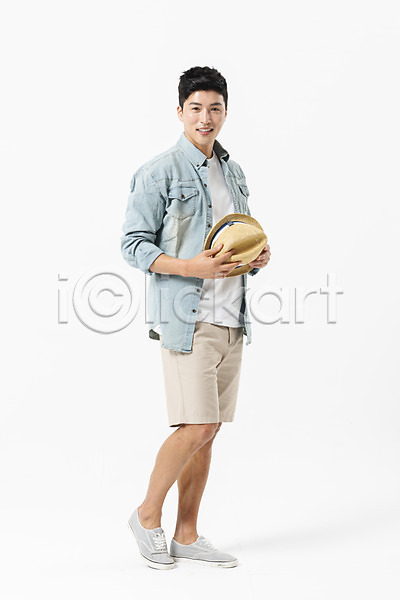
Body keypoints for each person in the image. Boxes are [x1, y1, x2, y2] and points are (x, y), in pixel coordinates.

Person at [121, 66, 271, 570]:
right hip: (187, 320)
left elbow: (237, 239)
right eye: (196, 108)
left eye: (215, 108)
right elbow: (133, 245)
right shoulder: (159, 171)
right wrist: (191, 268)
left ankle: (187, 533)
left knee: (209, 430)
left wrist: (257, 257)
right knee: (196, 425)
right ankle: (146, 516)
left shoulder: (234, 172)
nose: (206, 117)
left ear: (226, 112)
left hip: (232, 318)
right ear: (180, 111)